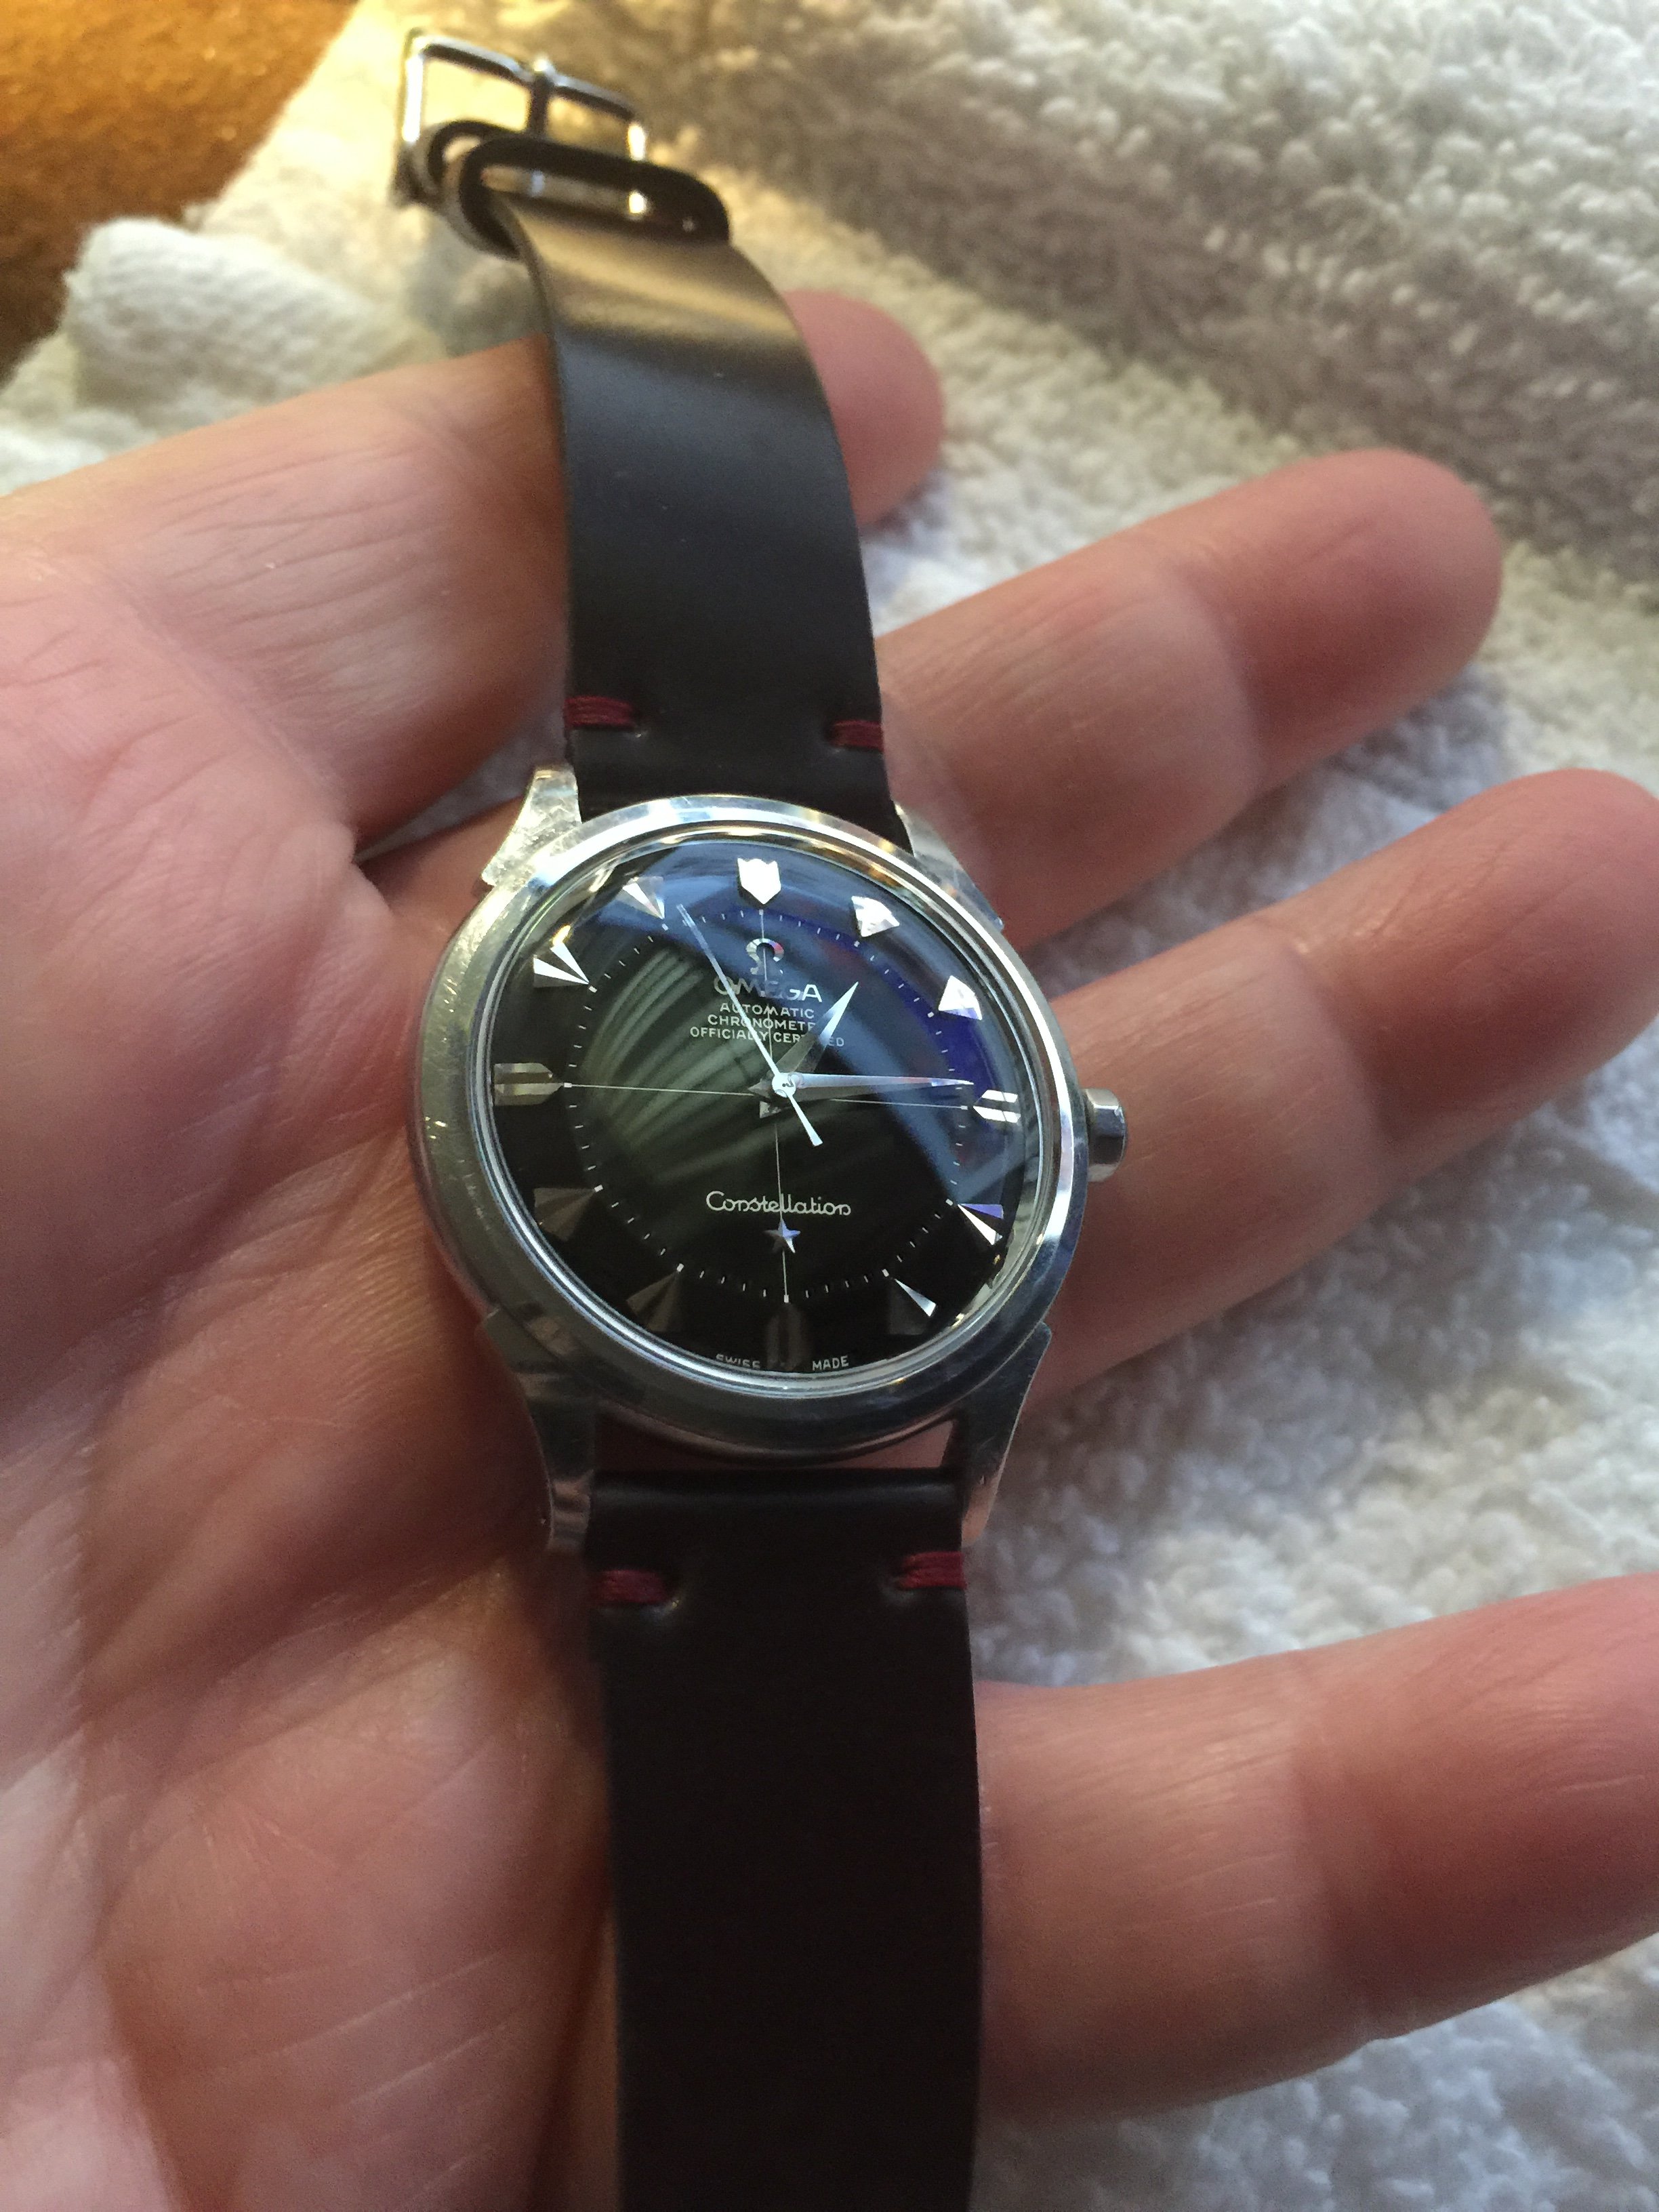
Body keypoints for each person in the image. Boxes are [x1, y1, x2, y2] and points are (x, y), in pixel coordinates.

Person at [2, 291, 1657, 2209]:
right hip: (667, 1356)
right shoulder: (580, 907)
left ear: (1066, 1123)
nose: (795, 1089)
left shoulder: (861, 1013)